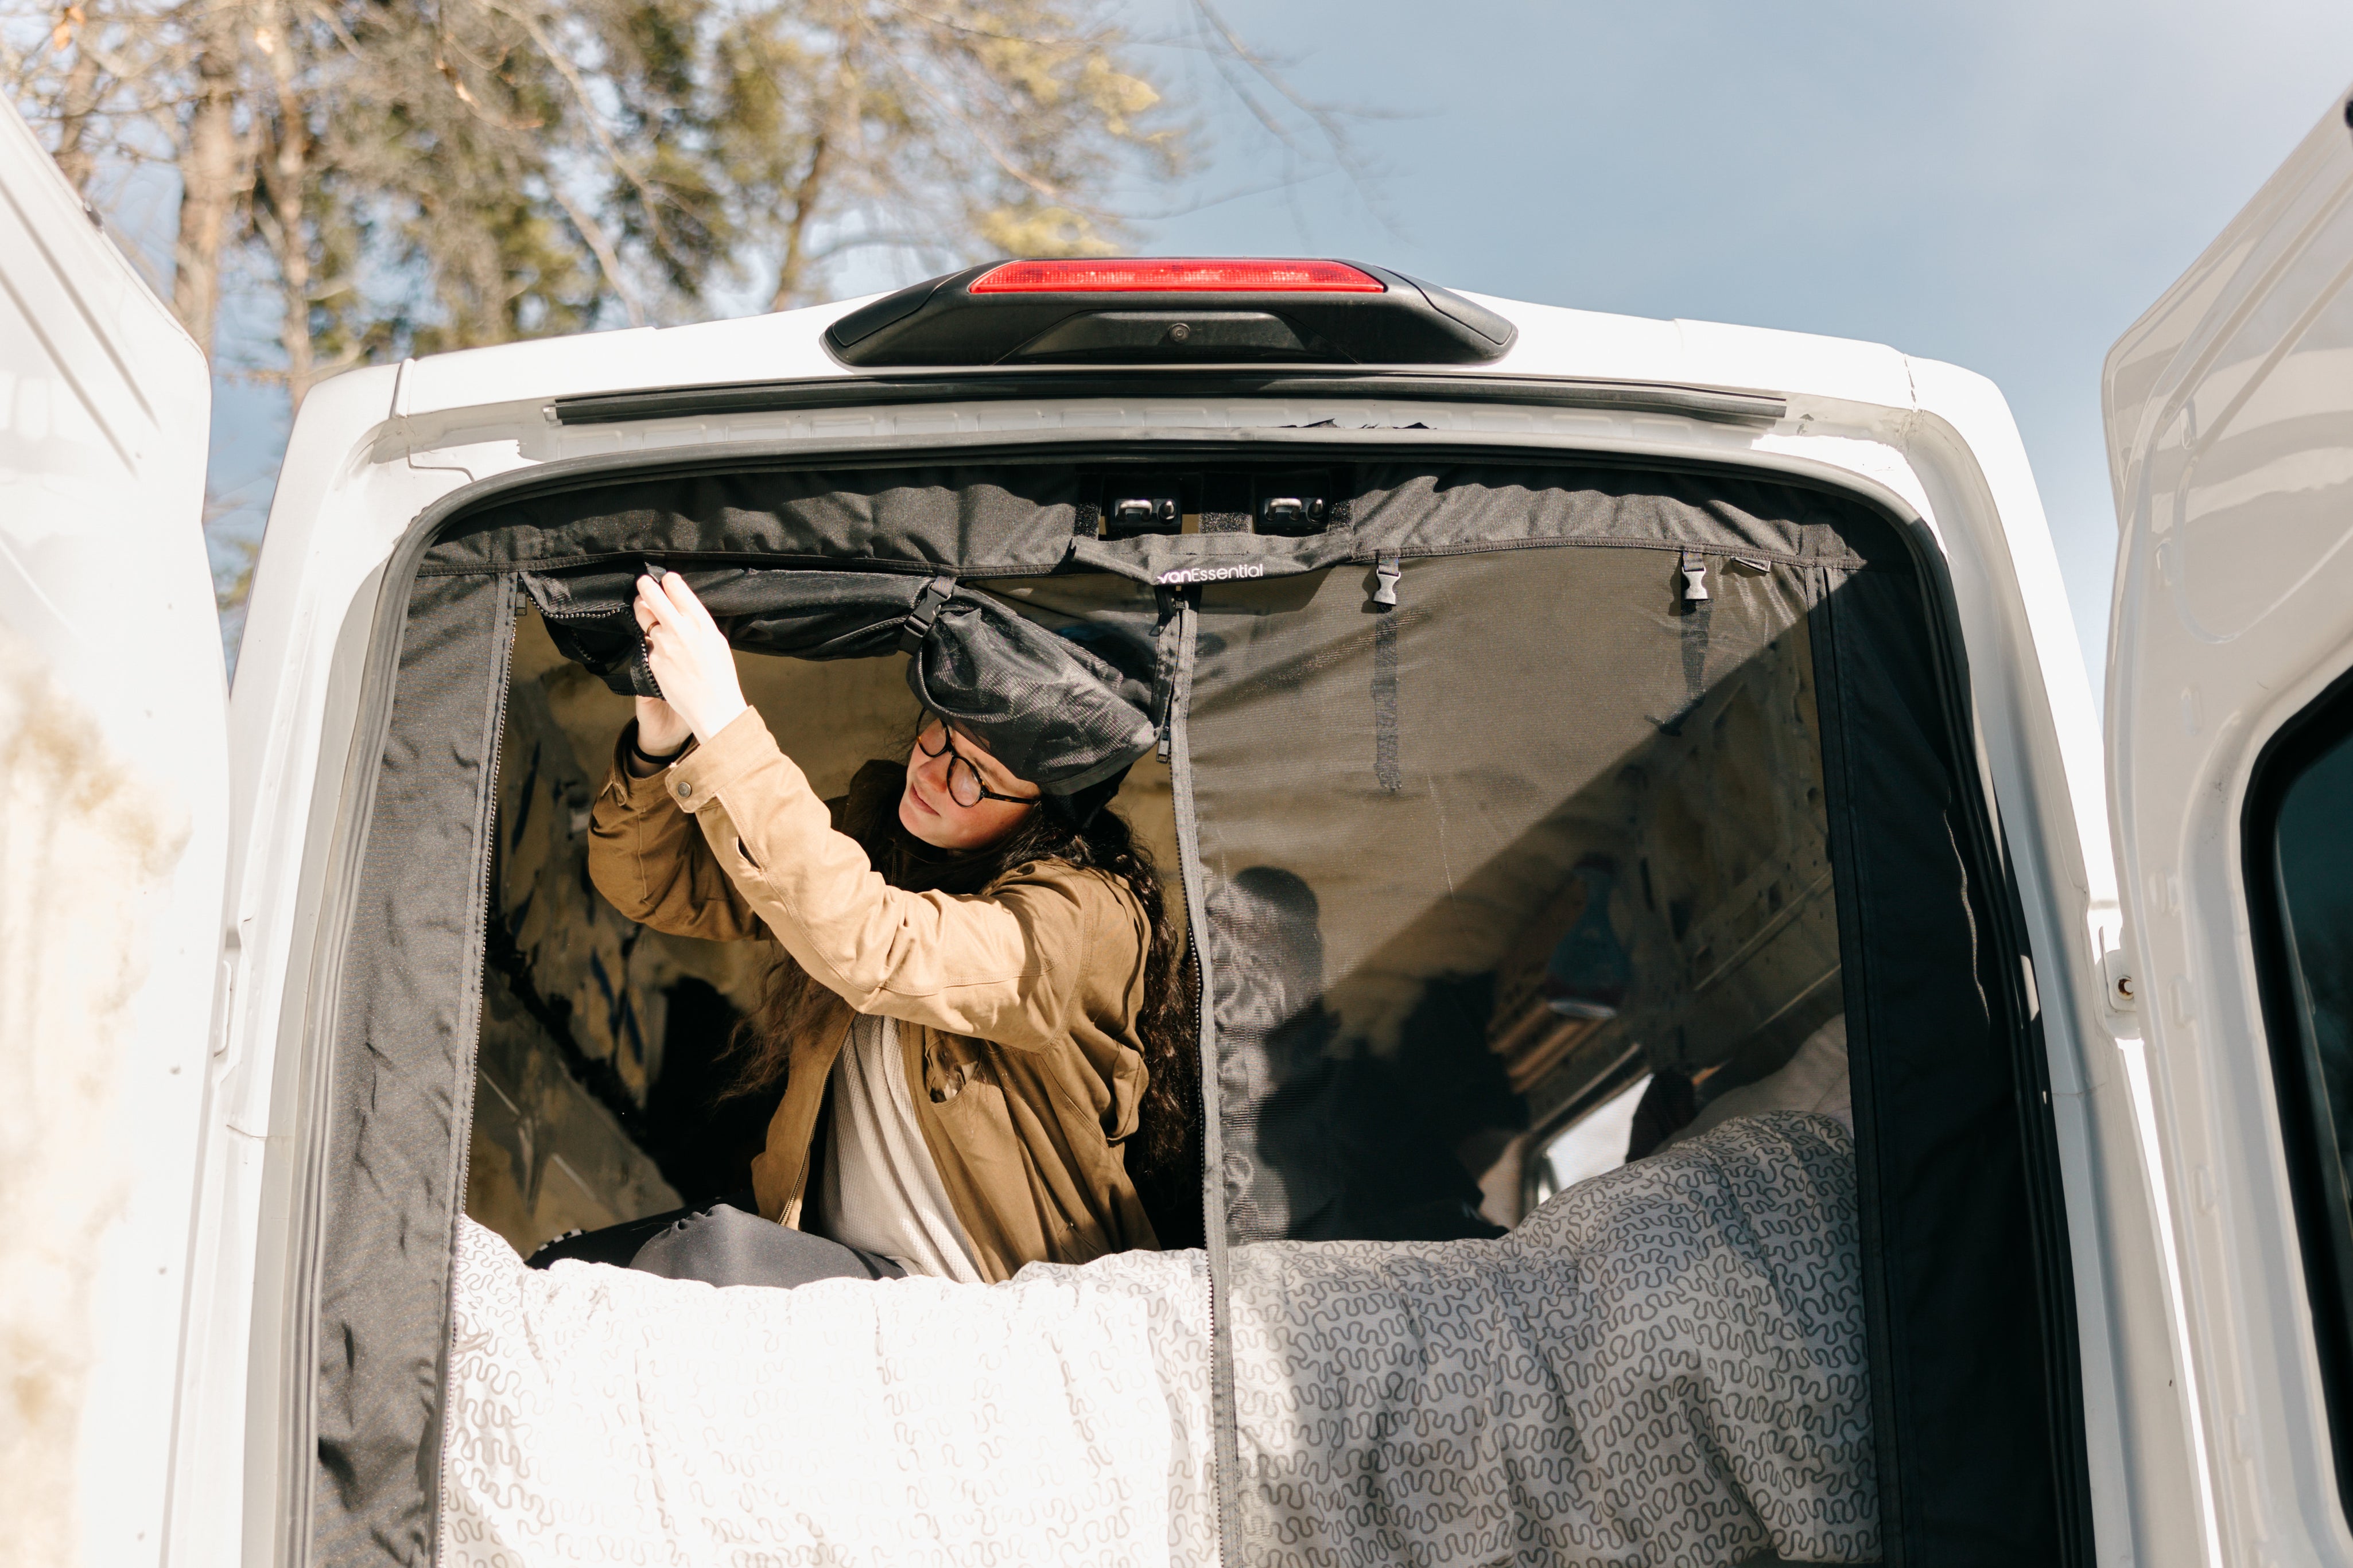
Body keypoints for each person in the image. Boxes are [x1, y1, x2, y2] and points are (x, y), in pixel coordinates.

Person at [530, 570, 1191, 1287]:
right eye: (940, 735)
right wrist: (661, 747)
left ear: (1046, 819)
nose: (935, 774)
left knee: (702, 1255)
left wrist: (725, 723)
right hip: (855, 1277)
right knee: (559, 1277)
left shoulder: (1086, 919)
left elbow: (876, 945)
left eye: (977, 776)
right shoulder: (883, 845)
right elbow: (653, 883)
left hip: (992, 1308)